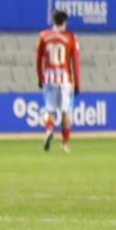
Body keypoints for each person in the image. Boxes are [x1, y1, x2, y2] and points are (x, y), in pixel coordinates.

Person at [36, 10, 79, 153]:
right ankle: (65, 143)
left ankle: (49, 130)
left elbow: (38, 59)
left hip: (49, 78)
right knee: (66, 112)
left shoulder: (43, 35)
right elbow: (75, 61)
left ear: (53, 21)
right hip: (65, 79)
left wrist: (40, 77)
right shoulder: (71, 37)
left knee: (50, 109)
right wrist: (77, 83)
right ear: (65, 21)